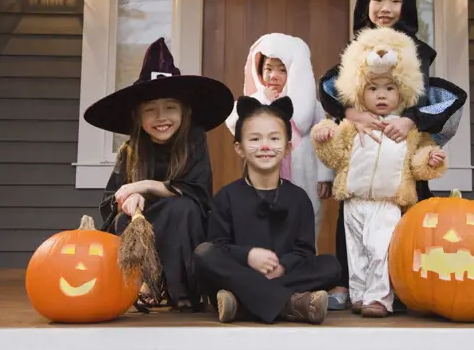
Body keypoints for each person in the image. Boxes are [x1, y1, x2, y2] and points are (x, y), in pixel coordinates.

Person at [319, 0, 467, 310]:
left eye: (395, 0)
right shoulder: (357, 47)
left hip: (403, 146)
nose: (385, 9)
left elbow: (440, 98)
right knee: (353, 211)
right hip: (364, 145)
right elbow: (328, 88)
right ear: (365, 2)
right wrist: (350, 112)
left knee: (405, 214)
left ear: (407, 5)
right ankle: (353, 284)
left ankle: (403, 284)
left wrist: (411, 120)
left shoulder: (416, 52)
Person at [84, 37, 234, 312]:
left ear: (185, 112)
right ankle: (142, 284)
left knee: (183, 208)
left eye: (170, 108)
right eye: (150, 110)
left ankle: (182, 290)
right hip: (144, 224)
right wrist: (127, 201)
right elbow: (110, 201)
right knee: (123, 220)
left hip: (185, 227)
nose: (161, 117)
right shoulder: (130, 150)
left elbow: (197, 192)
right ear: (138, 118)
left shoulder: (194, 141)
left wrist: (141, 186)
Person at [312, 26, 449, 318]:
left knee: (381, 249)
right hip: (354, 199)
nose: (382, 95)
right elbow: (336, 153)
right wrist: (324, 136)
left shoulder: (407, 129)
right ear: (360, 92)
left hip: (388, 202)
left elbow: (416, 162)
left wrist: (431, 159)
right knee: (357, 251)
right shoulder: (353, 124)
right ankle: (360, 295)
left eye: (389, 88)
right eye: (373, 89)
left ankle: (380, 298)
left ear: (403, 91)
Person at [193, 96, 341, 324]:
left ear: (288, 147)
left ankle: (241, 303)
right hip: (239, 271)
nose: (265, 146)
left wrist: (282, 267)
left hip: (275, 276)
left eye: (274, 138)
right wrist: (248, 256)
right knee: (204, 254)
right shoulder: (226, 197)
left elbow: (304, 252)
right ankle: (292, 304)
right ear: (239, 148)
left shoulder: (299, 198)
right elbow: (219, 246)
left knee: (330, 266)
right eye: (254, 139)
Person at [225, 33, 334, 237]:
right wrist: (260, 98)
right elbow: (232, 122)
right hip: (264, 177)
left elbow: (323, 141)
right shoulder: (253, 100)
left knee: (304, 224)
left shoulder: (310, 105)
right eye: (268, 69)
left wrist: (325, 176)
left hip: (303, 176)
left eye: (281, 69)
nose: (273, 75)